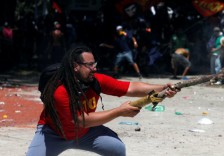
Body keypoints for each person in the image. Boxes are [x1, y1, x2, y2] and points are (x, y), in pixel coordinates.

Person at [26, 45, 178, 156]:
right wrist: (119, 111)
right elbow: (80, 120)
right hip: (54, 133)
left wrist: (161, 88)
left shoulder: (95, 80)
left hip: (85, 133)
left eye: (94, 64)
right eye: (89, 65)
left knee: (117, 149)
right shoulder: (60, 90)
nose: (94, 69)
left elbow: (130, 87)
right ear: (75, 67)